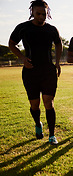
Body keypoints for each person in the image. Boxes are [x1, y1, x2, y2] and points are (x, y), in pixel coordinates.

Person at [8, 0, 62, 145]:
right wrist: (22, 58)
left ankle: (52, 135)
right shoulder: (23, 28)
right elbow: (11, 43)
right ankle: (38, 124)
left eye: (44, 14)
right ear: (32, 12)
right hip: (30, 72)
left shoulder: (51, 29)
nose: (41, 17)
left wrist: (56, 63)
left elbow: (58, 43)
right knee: (34, 104)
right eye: (38, 14)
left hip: (48, 71)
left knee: (48, 102)